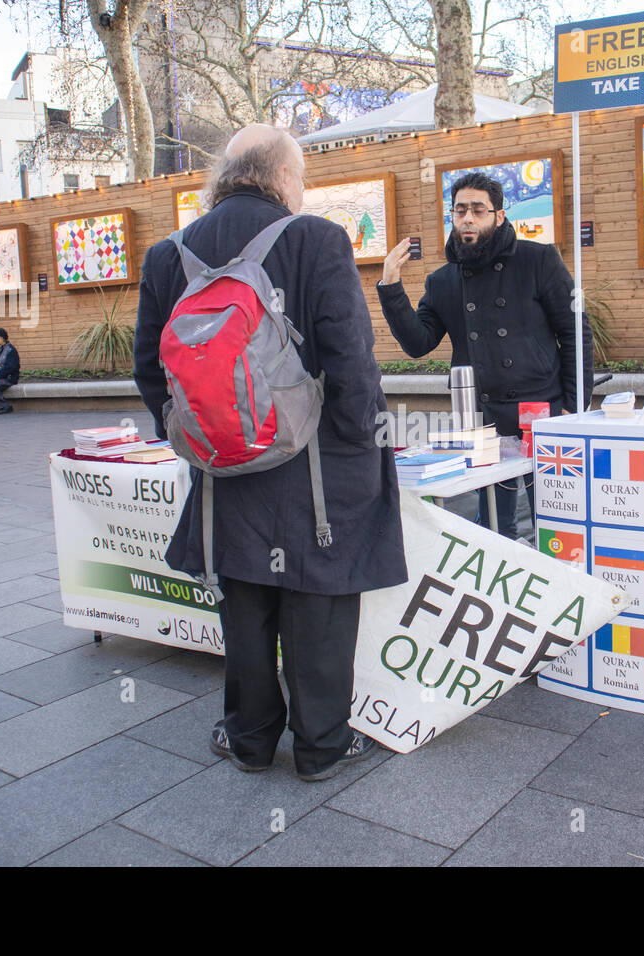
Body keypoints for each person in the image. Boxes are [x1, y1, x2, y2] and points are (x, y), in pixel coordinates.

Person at [133, 124, 407, 782]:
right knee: (320, 600)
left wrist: (199, 434)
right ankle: (321, 746)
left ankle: (249, 739)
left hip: (224, 471)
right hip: (313, 466)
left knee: (246, 599)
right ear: (284, 178)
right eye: (304, 178)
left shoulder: (169, 253)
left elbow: (149, 367)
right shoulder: (315, 240)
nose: (303, 190)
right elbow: (350, 361)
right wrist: (367, 443)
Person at [377, 172, 591, 540]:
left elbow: (575, 333)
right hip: (481, 422)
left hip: (544, 416)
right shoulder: (443, 280)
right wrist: (391, 286)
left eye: (478, 210)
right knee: (493, 529)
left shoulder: (538, 260)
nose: (468, 219)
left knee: (558, 523)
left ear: (499, 215)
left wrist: (574, 408)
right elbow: (418, 343)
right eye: (460, 211)